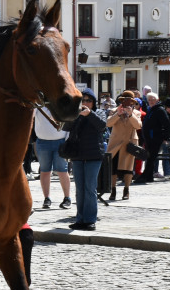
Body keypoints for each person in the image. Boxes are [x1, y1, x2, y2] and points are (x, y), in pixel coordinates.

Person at [63, 89, 108, 230]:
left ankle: (90, 220)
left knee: (90, 188)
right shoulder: (76, 114)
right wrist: (74, 114)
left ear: (94, 102)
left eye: (89, 100)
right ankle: (80, 219)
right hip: (77, 155)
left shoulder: (98, 112)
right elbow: (66, 126)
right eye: (83, 100)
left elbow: (102, 126)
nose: (86, 103)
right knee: (80, 189)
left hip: (94, 156)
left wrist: (89, 114)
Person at [106, 90, 143, 200]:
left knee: (128, 168)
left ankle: (126, 190)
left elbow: (138, 126)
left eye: (130, 102)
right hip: (115, 143)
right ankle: (113, 190)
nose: (127, 103)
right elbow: (108, 123)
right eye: (124, 101)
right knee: (113, 167)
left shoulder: (136, 113)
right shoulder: (114, 111)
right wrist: (118, 113)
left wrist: (130, 114)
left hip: (129, 143)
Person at [34, 106, 71, 210]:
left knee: (62, 171)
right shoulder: (38, 105)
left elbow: (68, 121)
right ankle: (46, 198)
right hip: (42, 141)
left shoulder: (59, 104)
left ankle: (67, 198)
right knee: (45, 171)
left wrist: (67, 140)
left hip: (60, 141)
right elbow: (31, 114)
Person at [138, 93, 170, 184]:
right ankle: (148, 177)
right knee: (150, 157)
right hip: (149, 138)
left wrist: (165, 137)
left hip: (155, 138)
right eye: (149, 100)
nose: (151, 101)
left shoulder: (160, 110)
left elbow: (167, 124)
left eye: (153, 99)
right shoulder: (150, 109)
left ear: (157, 100)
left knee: (151, 157)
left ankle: (145, 176)